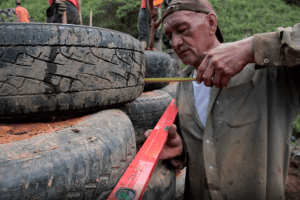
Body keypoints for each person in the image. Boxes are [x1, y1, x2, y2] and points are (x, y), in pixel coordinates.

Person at [144, 0, 300, 199]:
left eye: (182, 30)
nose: (175, 43)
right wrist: (181, 150)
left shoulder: (267, 72)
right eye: (169, 36)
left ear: (211, 23)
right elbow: (206, 147)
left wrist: (250, 49)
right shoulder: (183, 84)